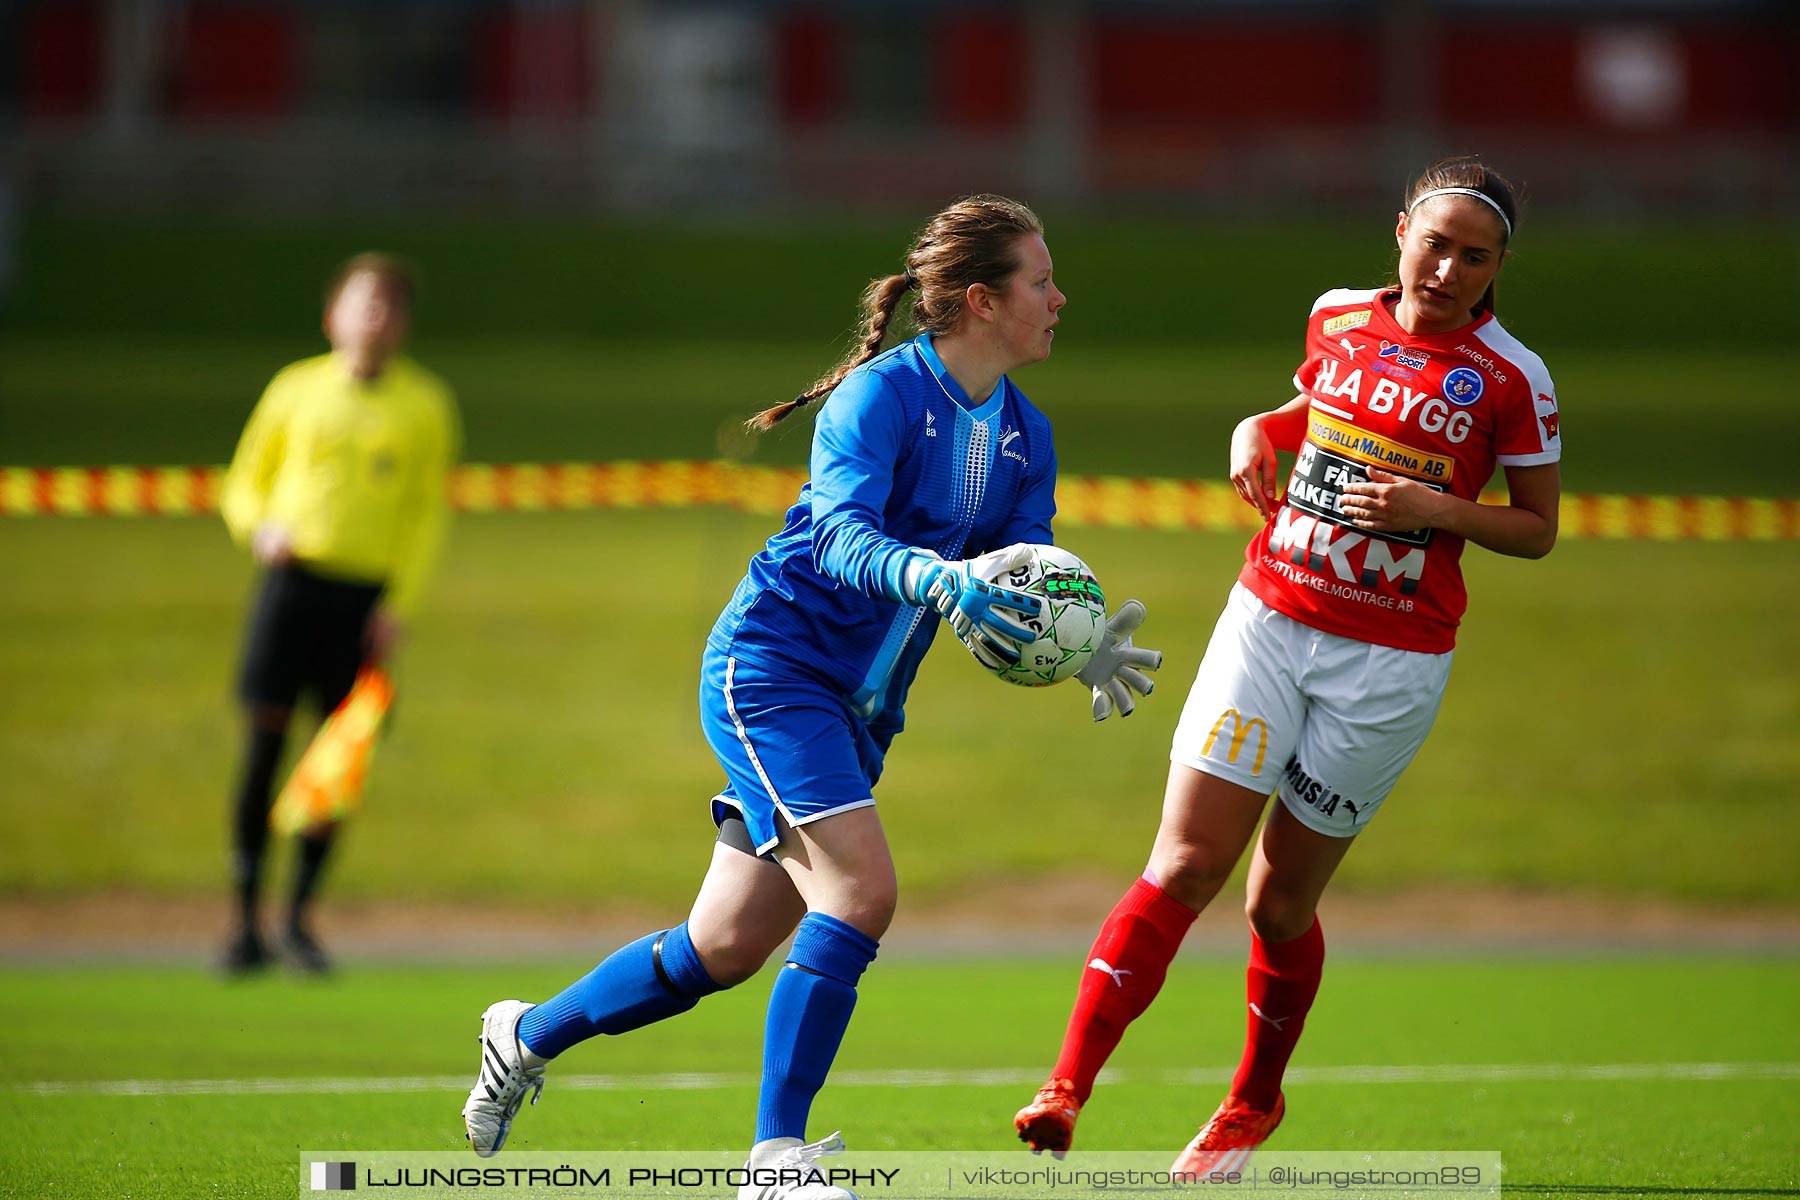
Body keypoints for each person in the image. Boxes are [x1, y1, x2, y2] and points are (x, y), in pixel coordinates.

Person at [459, 196, 1162, 1199]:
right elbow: (839, 539)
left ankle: (522, 1037)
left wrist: (1070, 644)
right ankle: (774, 1160)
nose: (1060, 297)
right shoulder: (877, 399)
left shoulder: (1025, 436)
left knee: (725, 947)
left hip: (859, 711)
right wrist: (940, 579)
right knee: (863, 893)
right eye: (1040, 280)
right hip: (772, 669)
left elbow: (1014, 584)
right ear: (980, 299)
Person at [1013, 156, 1562, 1172]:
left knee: (1278, 902)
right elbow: (1307, 413)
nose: (1447, 269)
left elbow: (1537, 530)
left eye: (1473, 256)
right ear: (1401, 230)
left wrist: (1436, 510)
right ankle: (1065, 1088)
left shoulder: (1512, 378)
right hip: (1268, 619)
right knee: (1185, 863)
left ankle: (1254, 1103)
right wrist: (1251, 430)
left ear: (1498, 267)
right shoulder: (1337, 316)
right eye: (1435, 243)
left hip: (1388, 665)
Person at [218, 253, 460, 975]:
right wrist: (257, 526)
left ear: (404, 323)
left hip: (364, 606)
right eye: (362, 304)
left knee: (335, 764)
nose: (375, 318)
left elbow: (425, 517)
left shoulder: (424, 406)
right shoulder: (295, 390)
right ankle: (242, 922)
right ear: (333, 315)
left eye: (388, 306)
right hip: (290, 590)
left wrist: (399, 603)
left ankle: (297, 918)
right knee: (263, 750)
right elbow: (243, 482)